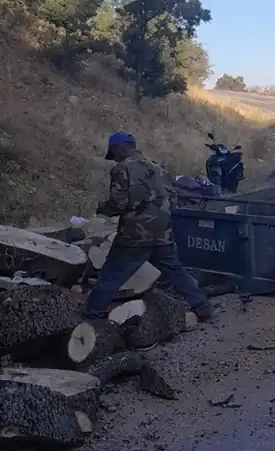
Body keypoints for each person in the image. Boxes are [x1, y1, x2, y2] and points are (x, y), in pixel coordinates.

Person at [85, 132, 214, 321]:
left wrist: (101, 209)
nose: (115, 159)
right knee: (177, 273)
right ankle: (203, 308)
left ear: (120, 148)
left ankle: (92, 316)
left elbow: (118, 203)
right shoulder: (160, 168)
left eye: (114, 153)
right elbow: (174, 200)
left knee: (110, 276)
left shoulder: (122, 169)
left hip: (134, 236)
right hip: (163, 233)